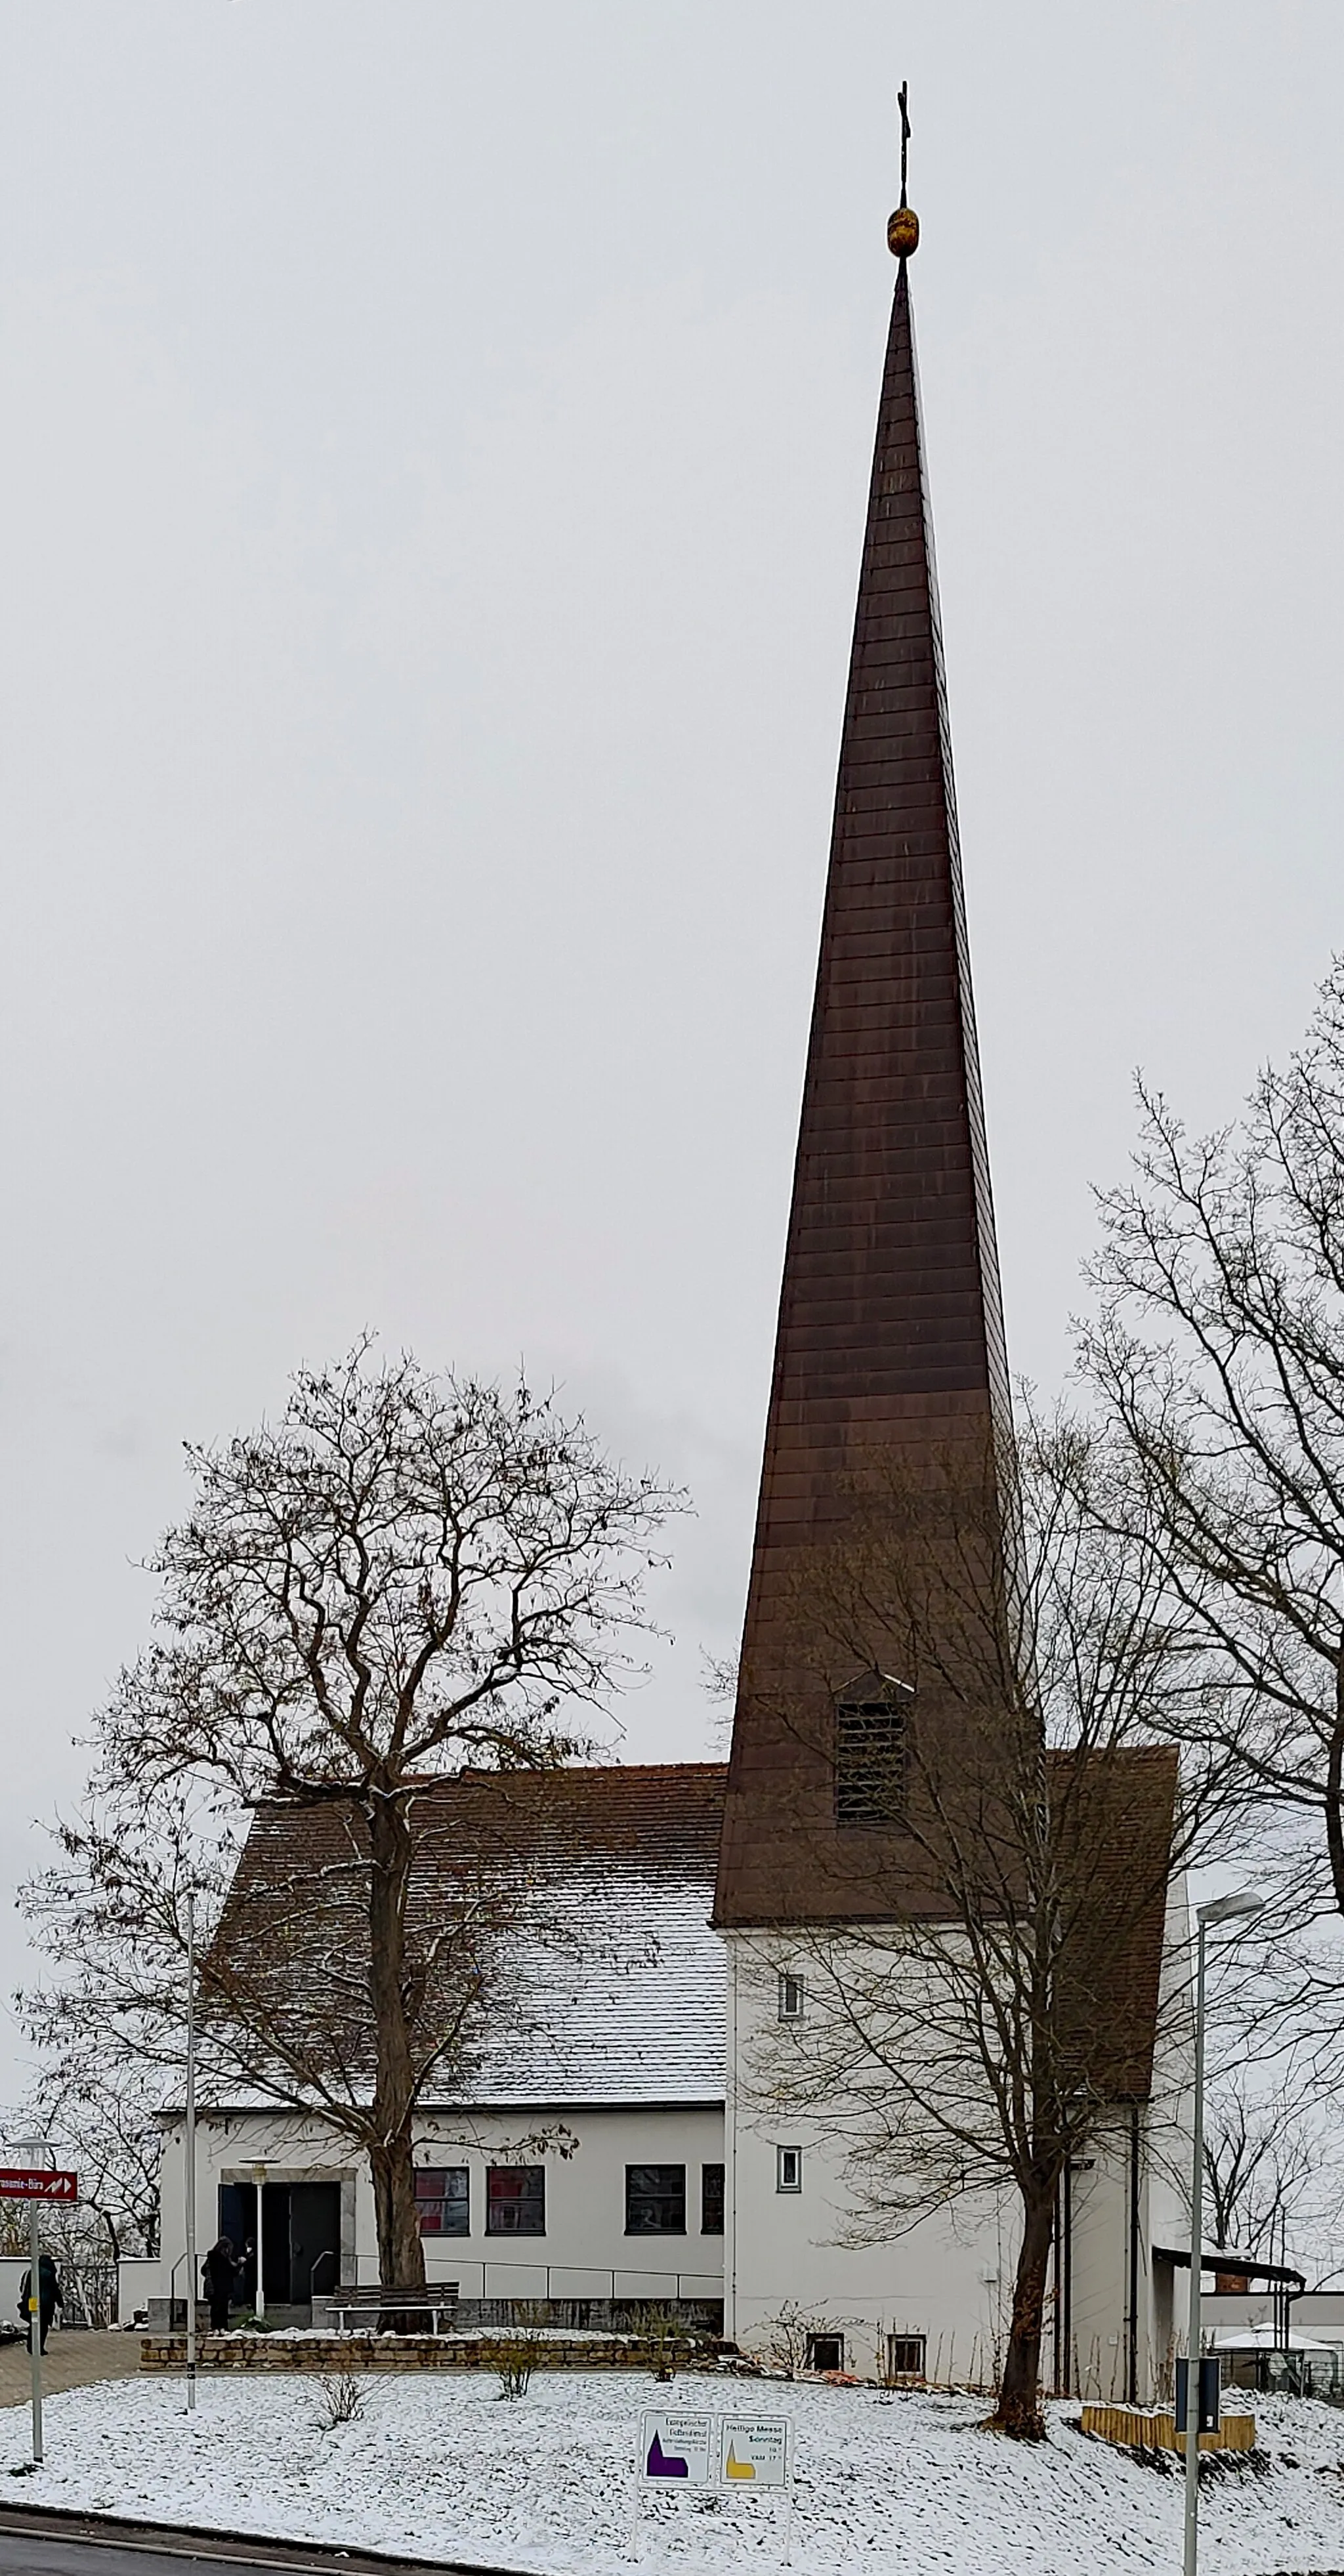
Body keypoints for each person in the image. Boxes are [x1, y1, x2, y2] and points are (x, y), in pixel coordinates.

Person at [18, 2253, 62, 2354]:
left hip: (32, 2301)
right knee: (43, 2327)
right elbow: (54, 2290)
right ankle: (39, 2348)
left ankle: (31, 2346)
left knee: (34, 2324)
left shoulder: (30, 2272)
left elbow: (22, 2287)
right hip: (45, 2304)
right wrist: (60, 2303)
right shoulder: (49, 2274)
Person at [201, 2235, 240, 2333]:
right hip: (220, 2287)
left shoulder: (211, 2257)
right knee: (222, 2308)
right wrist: (239, 2265)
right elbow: (231, 2272)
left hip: (212, 2287)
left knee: (215, 2308)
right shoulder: (223, 2259)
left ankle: (216, 2327)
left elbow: (203, 2270)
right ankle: (221, 2327)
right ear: (225, 2248)